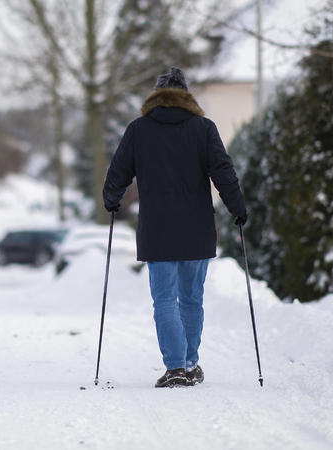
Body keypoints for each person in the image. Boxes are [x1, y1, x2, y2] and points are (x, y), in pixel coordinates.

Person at [102, 67, 247, 388]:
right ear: (187, 97)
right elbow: (223, 171)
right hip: (197, 227)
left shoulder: (139, 129)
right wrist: (237, 207)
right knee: (192, 298)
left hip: (157, 228)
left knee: (165, 299)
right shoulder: (204, 128)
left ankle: (176, 367)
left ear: (155, 97)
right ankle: (190, 364)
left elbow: (118, 170)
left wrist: (111, 199)